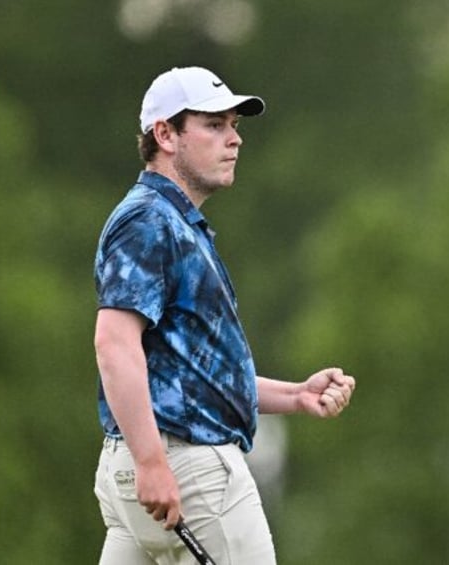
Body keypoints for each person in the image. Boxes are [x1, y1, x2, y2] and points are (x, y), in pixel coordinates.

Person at [92, 66, 356, 565]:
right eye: (214, 125)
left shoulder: (171, 221)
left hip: (141, 467)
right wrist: (152, 462)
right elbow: (114, 345)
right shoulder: (150, 220)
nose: (234, 139)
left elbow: (191, 379)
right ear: (165, 135)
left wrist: (296, 395)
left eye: (234, 125)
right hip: (187, 468)